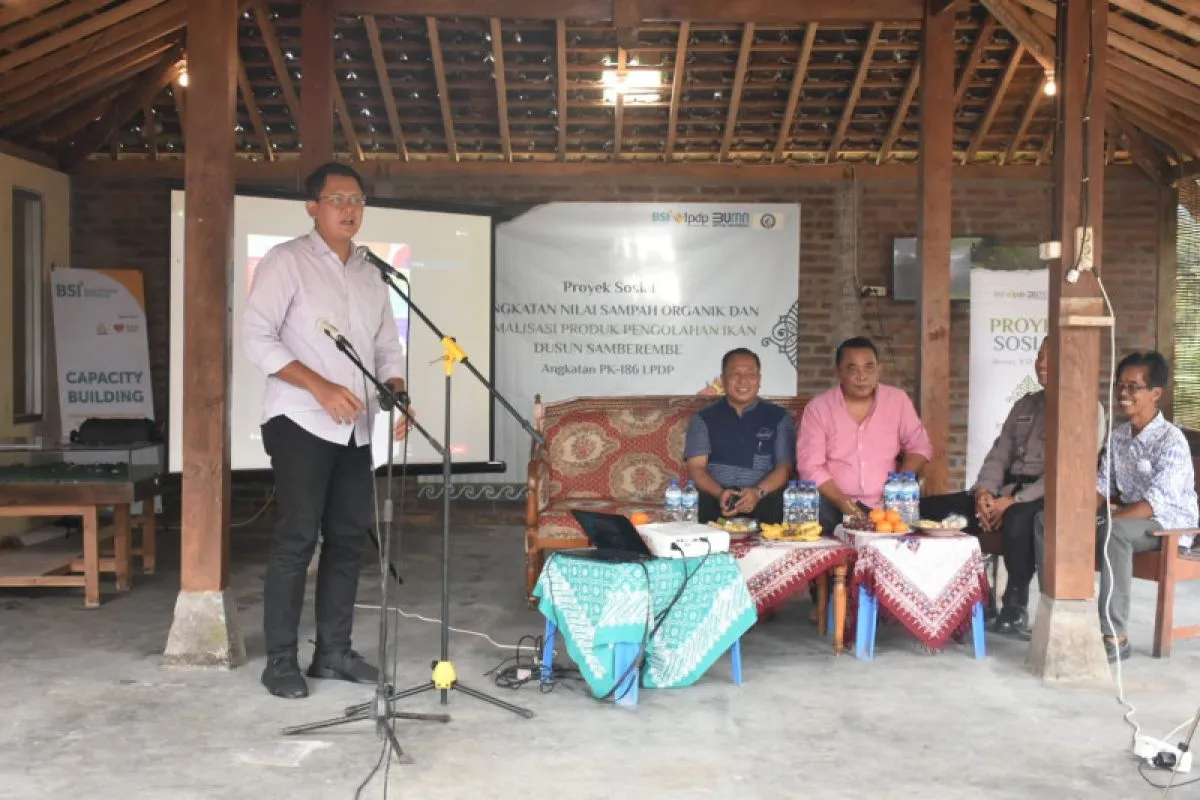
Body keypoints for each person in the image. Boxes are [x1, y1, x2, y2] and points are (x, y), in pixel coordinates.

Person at [243, 162, 410, 699]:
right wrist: (319, 386)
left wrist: (397, 392)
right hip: (300, 421)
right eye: (338, 199)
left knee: (347, 540)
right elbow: (257, 338)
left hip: (356, 428)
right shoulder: (286, 260)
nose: (349, 209)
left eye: (357, 199)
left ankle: (332, 653)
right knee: (297, 539)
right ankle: (280, 660)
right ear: (312, 206)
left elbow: (386, 346)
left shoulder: (369, 271)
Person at [920, 337, 1106, 636]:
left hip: (1047, 497)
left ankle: (1015, 604)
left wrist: (1014, 501)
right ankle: (976, 594)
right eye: (1040, 356)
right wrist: (984, 493)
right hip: (1005, 493)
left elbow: (1069, 471)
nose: (1041, 363)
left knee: (1019, 519)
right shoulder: (1025, 404)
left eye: (1051, 357)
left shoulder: (1086, 409)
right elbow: (999, 453)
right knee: (933, 509)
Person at [1046, 351, 1195, 663]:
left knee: (1114, 534)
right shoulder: (1118, 437)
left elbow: (1154, 504)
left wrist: (1101, 523)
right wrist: (1078, 515)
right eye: (1120, 386)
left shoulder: (1172, 440)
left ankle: (1115, 636)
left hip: (1168, 525)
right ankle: (1056, 617)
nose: (1123, 393)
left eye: (1133, 387)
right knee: (1047, 520)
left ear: (1156, 393)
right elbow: (1102, 486)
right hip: (1130, 520)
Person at [796, 337, 932, 532]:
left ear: (879, 369)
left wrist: (899, 484)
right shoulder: (818, 409)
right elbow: (810, 466)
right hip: (834, 506)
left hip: (888, 506)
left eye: (869, 368)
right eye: (853, 369)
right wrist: (843, 502)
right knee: (811, 515)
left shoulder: (897, 400)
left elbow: (919, 446)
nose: (862, 377)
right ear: (838, 372)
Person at [684, 348, 797, 525]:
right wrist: (720, 493)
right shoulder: (703, 418)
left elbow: (784, 468)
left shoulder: (779, 417)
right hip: (716, 497)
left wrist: (757, 492)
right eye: (736, 374)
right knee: (696, 503)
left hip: (763, 498)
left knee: (779, 504)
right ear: (723, 380)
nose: (743, 380)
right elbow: (696, 467)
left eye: (751, 374)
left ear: (759, 380)